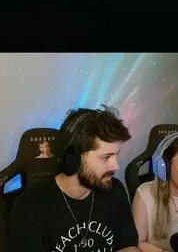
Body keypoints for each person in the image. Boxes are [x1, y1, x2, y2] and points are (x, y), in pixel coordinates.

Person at [9, 106, 142, 252]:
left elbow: (127, 246)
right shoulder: (29, 206)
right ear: (75, 159)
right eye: (106, 157)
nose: (116, 166)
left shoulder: (115, 190)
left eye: (116, 155)